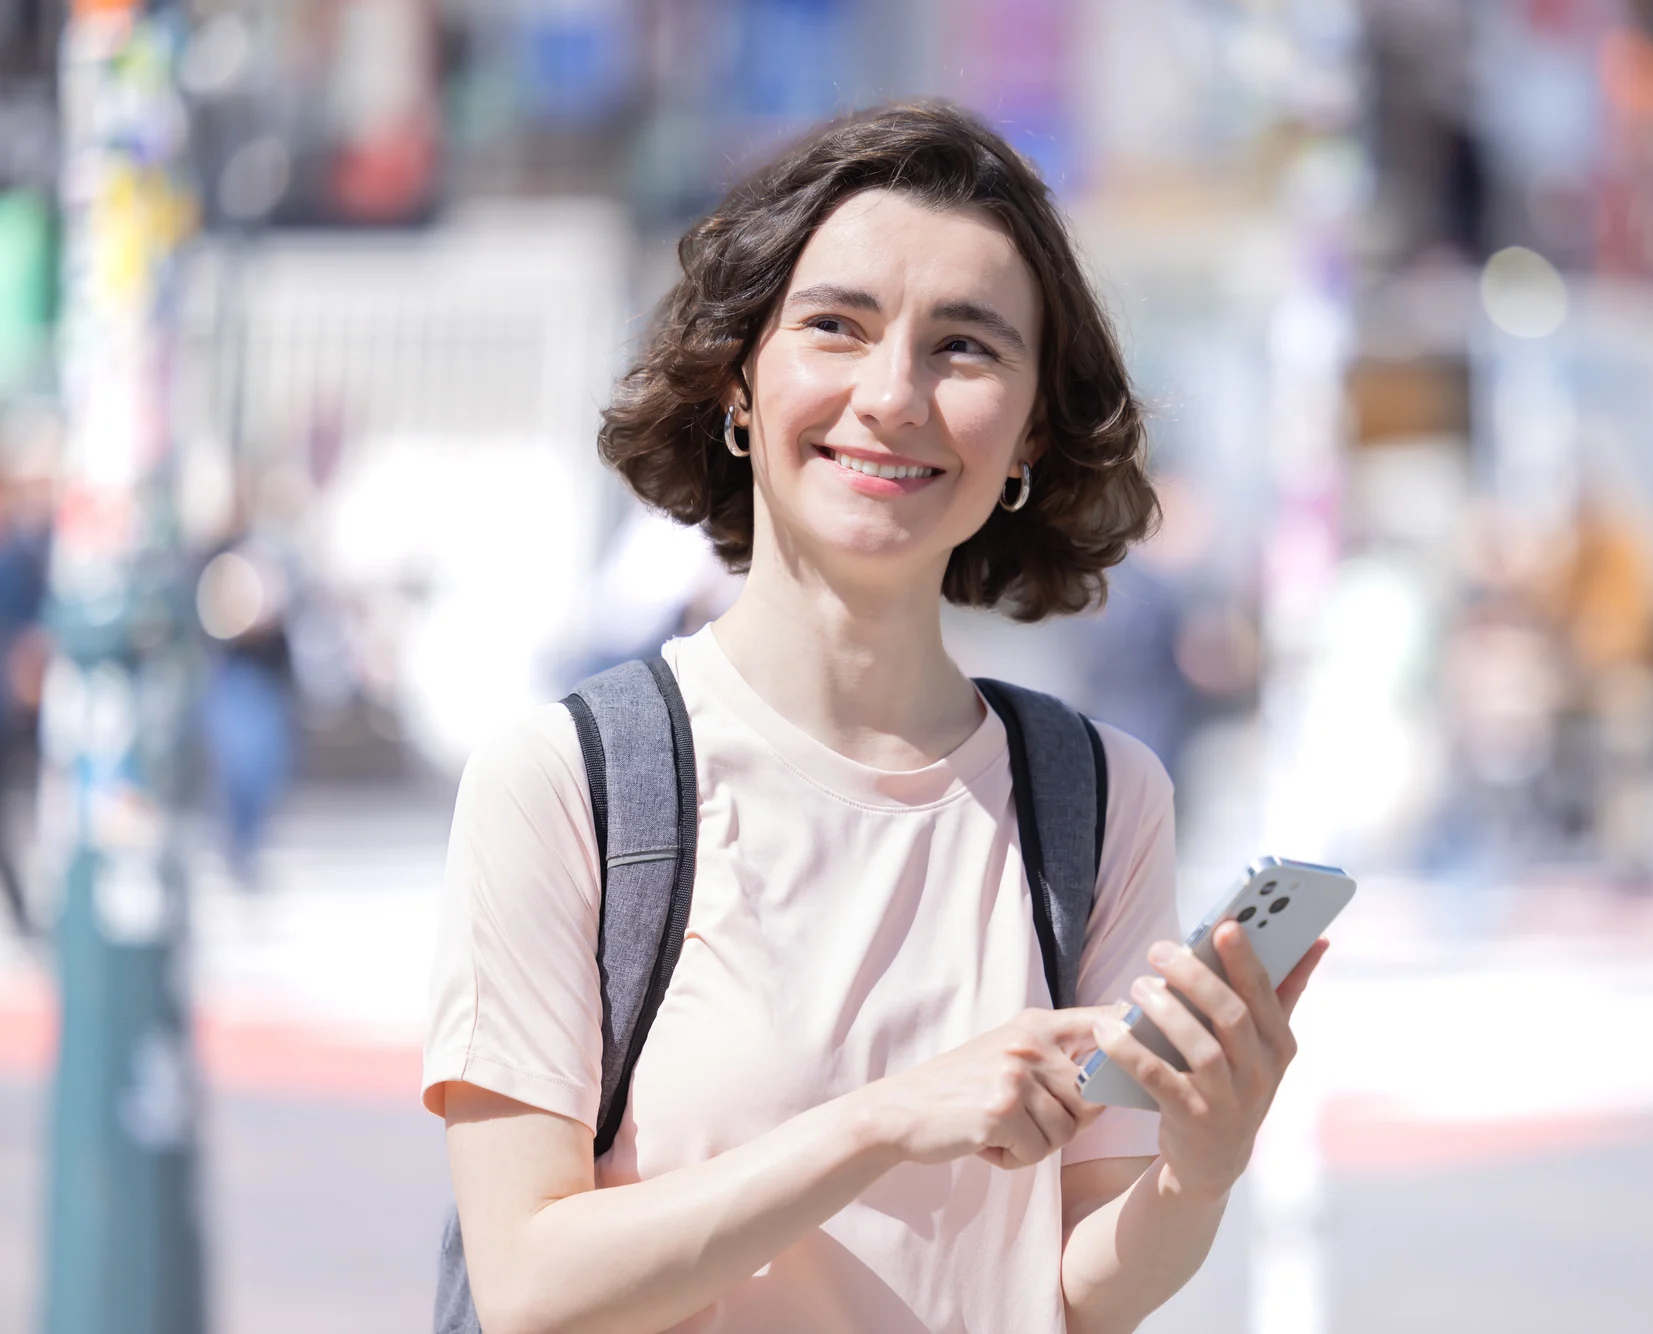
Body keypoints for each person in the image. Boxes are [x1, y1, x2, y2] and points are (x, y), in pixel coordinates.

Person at [423, 102, 1327, 1334]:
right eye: (835, 326)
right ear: (739, 381)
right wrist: (881, 1120)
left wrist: (1200, 1166)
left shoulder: (1100, 796)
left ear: (1026, 436)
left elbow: (1072, 1285)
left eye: (963, 348)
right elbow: (530, 1282)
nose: (892, 395)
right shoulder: (568, 781)